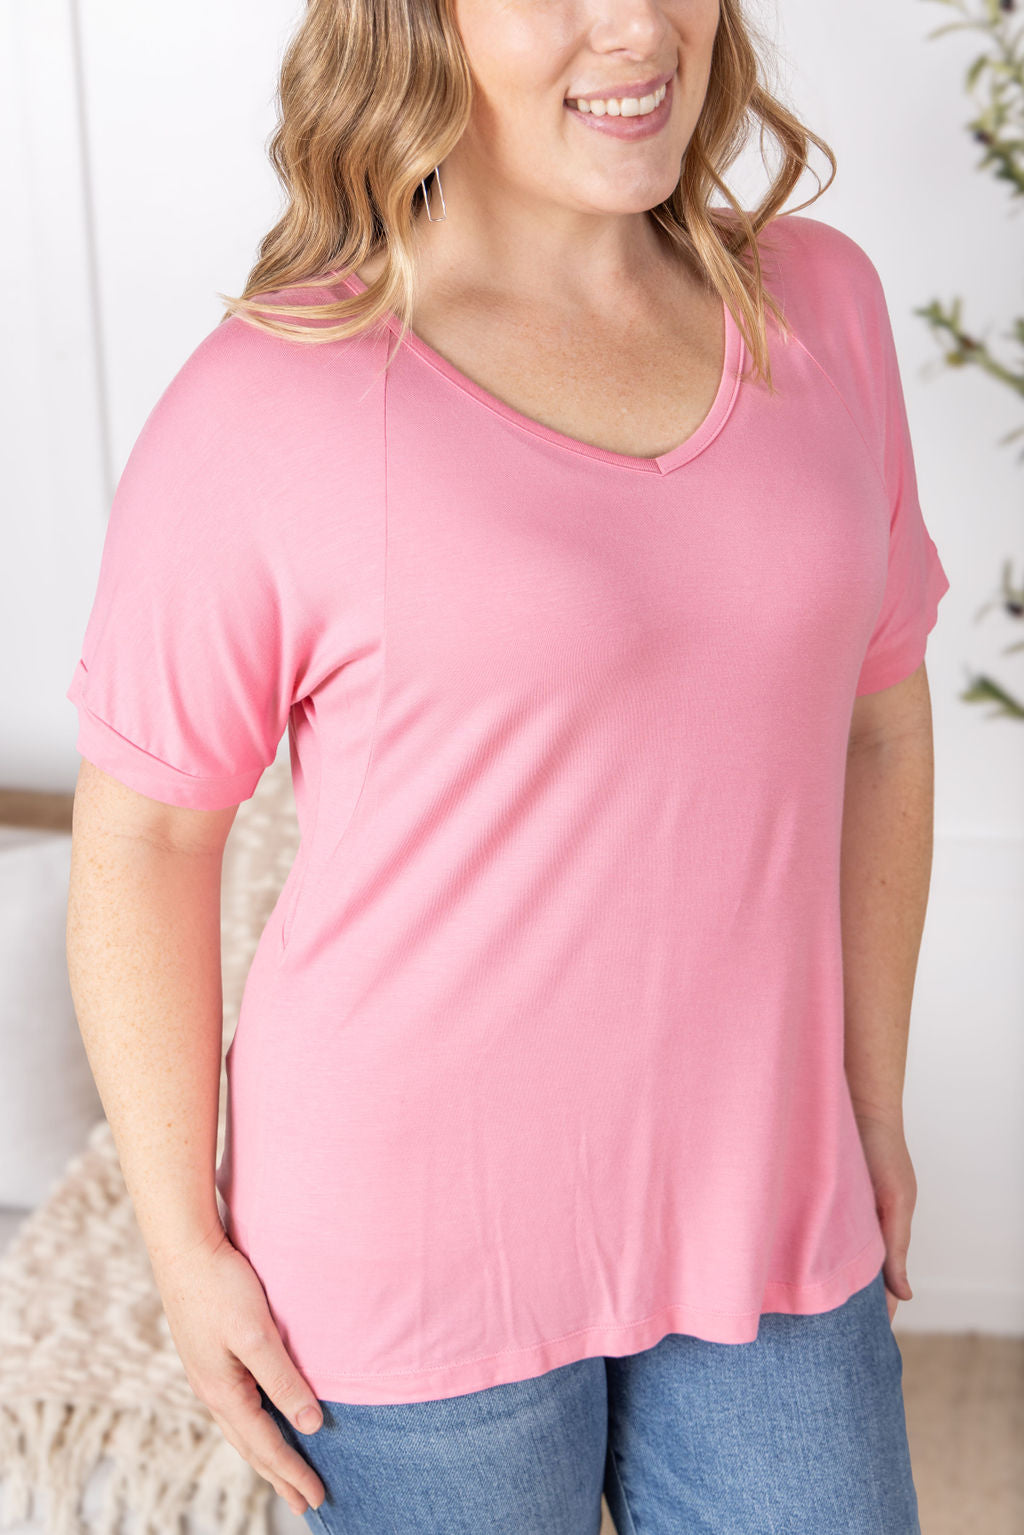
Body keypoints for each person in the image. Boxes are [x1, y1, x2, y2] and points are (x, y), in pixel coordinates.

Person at [65, 0, 950, 1530]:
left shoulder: (822, 307)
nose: (638, 30)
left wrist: (870, 1098)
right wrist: (181, 1242)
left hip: (769, 1198)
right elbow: (146, 836)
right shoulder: (274, 393)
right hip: (405, 1255)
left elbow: (882, 724)